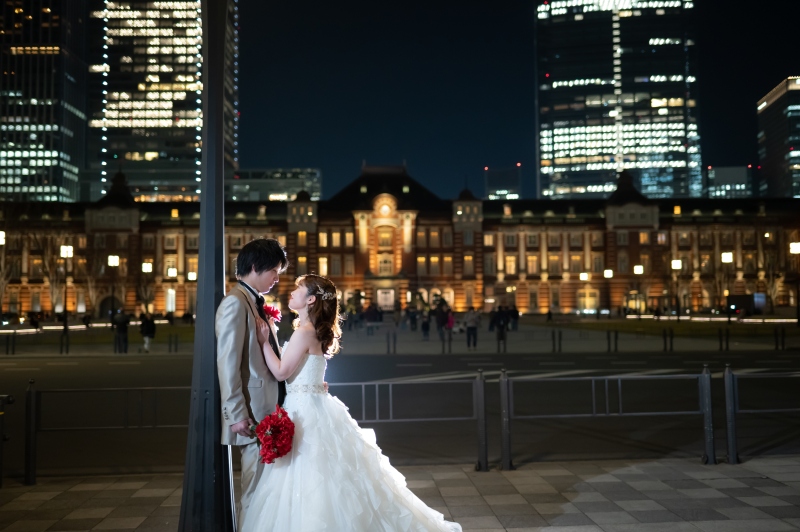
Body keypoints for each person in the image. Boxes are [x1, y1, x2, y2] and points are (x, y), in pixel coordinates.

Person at [242, 275, 461, 532]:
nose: (291, 292)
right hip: (313, 404)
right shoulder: (311, 330)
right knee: (327, 475)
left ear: (310, 299)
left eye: (297, 289)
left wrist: (263, 341)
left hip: (303, 409)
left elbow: (280, 373)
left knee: (307, 474)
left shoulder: (304, 332)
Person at [216, 238, 288, 529]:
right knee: (255, 493)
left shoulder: (251, 301)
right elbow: (228, 363)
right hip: (253, 416)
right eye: (275, 271)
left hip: (267, 411)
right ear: (256, 267)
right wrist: (235, 415)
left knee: (268, 492)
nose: (277, 278)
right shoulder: (235, 303)